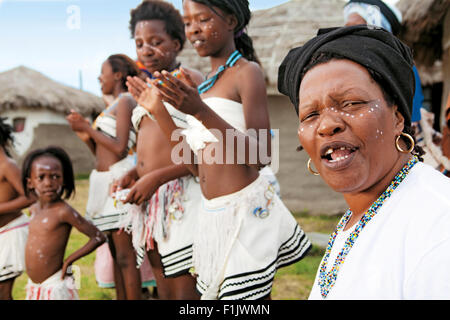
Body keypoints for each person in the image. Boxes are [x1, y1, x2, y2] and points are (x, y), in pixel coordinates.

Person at [129, 0, 311, 300]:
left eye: (203, 19)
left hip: (244, 215)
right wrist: (160, 111)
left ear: (230, 20)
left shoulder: (246, 72)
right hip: (213, 215)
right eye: (188, 23)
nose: (194, 30)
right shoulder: (202, 87)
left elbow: (262, 156)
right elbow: (194, 165)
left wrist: (200, 111)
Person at [278, 25, 450, 299]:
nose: (327, 125)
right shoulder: (359, 215)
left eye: (350, 103)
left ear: (397, 117)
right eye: (310, 115)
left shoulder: (438, 225)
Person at [113, 0, 204, 300]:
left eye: (156, 42)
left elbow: (206, 153)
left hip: (181, 195)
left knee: (182, 286)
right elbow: (149, 140)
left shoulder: (189, 81)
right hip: (150, 198)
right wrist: (135, 172)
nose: (146, 50)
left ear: (176, 43)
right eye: (139, 44)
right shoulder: (145, 87)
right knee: (161, 277)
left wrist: (157, 177)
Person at [66, 54, 142, 300]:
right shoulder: (109, 107)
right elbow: (101, 151)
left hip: (117, 181)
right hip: (103, 181)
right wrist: (85, 135)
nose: (99, 77)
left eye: (103, 71)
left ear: (118, 75)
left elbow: (120, 147)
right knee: (114, 254)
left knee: (124, 256)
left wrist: (88, 128)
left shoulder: (125, 101)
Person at [22, 147, 106, 300]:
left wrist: (69, 260)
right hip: (35, 286)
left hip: (53, 284)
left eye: (55, 176)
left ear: (64, 179)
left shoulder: (63, 212)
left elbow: (98, 236)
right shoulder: (33, 209)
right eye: (41, 177)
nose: (48, 183)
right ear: (30, 183)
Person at [0, 118, 34, 300]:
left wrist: (1, 208)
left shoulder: (7, 165)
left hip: (11, 232)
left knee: (3, 292)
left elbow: (30, 196)